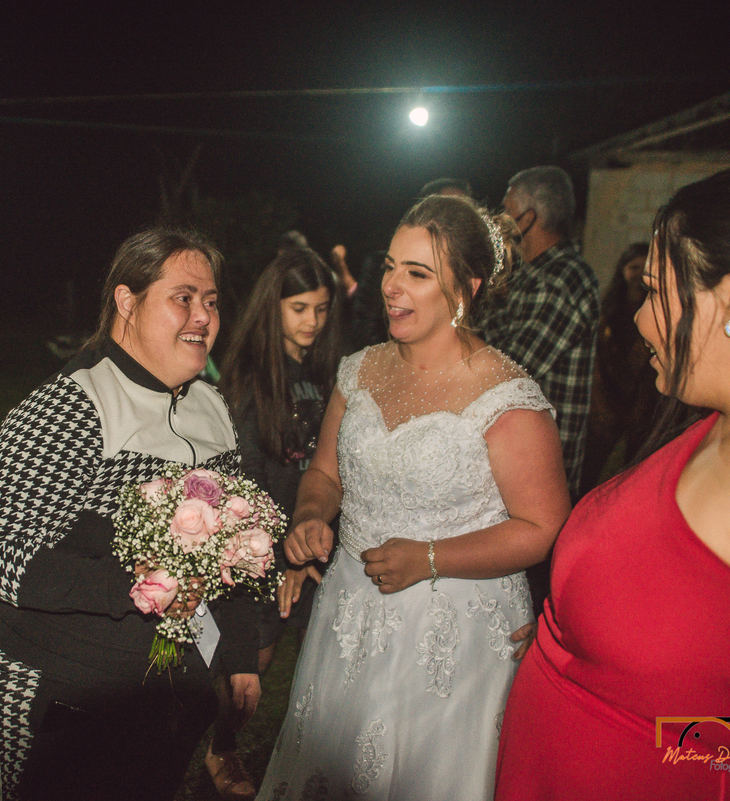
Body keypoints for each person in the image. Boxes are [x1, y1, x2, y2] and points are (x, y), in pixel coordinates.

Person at [494, 160, 730, 800]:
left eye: (656, 292)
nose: (637, 318)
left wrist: (639, 736)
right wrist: (577, 649)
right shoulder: (719, 420)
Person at [256, 195, 570, 801]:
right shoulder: (358, 371)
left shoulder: (507, 398)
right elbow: (324, 473)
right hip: (349, 612)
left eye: (417, 274)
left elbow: (541, 525)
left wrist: (430, 557)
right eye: (390, 267)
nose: (393, 287)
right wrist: (310, 516)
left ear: (466, 288)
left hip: (451, 632)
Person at [0, 227, 260, 801]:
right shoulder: (68, 406)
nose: (203, 315)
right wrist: (139, 584)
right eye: (183, 297)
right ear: (127, 302)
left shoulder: (212, 404)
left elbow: (234, 535)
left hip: (176, 684)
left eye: (212, 300)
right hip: (65, 684)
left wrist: (240, 654)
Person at [212, 246, 344, 798]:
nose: (312, 321)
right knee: (255, 662)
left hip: (317, 544)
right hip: (263, 545)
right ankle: (222, 748)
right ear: (274, 308)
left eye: (320, 308)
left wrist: (310, 545)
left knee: (330, 659)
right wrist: (283, 553)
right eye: (299, 309)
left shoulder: (328, 371)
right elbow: (244, 483)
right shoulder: (246, 380)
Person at [479, 166, 600, 499]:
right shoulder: (532, 275)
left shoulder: (562, 279)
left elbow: (509, 372)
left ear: (528, 218)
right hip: (516, 459)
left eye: (506, 212)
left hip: (537, 475)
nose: (499, 222)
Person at [579, 242, 660, 493]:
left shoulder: (654, 315)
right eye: (632, 267)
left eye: (642, 268)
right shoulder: (607, 310)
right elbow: (597, 361)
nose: (637, 275)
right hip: (603, 411)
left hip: (640, 411)